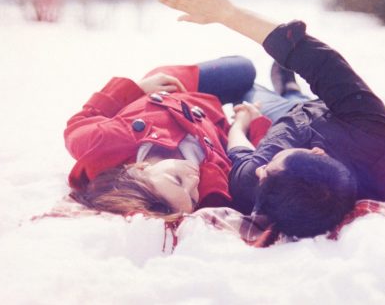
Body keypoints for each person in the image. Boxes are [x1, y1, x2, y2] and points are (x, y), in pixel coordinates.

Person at [155, 0, 385, 238]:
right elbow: (324, 63)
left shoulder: (256, 185)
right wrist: (228, 14)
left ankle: (288, 92)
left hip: (280, 118)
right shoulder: (381, 143)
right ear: (318, 152)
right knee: (287, 91)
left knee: (244, 80)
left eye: (262, 173)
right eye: (270, 165)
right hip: (327, 113)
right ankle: (290, 89)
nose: (260, 168)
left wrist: (243, 120)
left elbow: (240, 151)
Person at [64, 56, 272, 219]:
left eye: (177, 179)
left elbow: (81, 120)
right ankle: (288, 87)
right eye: (192, 197)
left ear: (140, 169)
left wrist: (136, 88)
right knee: (260, 98)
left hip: (173, 87)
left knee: (245, 68)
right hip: (213, 110)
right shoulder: (213, 191)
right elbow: (249, 161)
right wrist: (251, 124)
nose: (193, 180)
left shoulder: (103, 143)